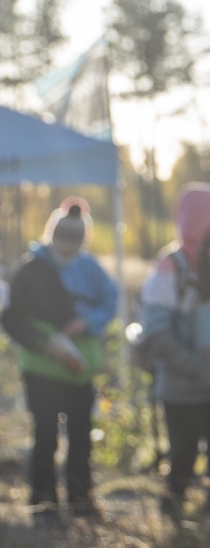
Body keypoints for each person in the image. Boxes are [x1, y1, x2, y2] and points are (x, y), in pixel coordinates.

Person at [141, 184, 210, 517]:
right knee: (182, 460)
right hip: (185, 389)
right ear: (197, 222)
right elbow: (156, 328)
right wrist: (192, 365)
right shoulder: (173, 266)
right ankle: (173, 524)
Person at [1, 200, 117, 521]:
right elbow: (11, 318)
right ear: (51, 233)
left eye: (75, 237)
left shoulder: (91, 268)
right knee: (45, 436)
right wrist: (44, 343)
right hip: (42, 369)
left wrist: (88, 322)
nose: (67, 243)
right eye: (62, 236)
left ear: (84, 238)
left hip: (81, 368)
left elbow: (110, 300)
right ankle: (43, 503)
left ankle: (81, 500)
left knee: (81, 436)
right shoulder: (30, 269)